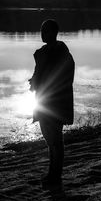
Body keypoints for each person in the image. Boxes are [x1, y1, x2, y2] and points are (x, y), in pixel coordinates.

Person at [29, 19, 75, 186]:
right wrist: (34, 82)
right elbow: (39, 74)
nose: (42, 34)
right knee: (49, 139)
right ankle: (52, 174)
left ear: (54, 33)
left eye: (46, 31)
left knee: (55, 140)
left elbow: (64, 78)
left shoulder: (63, 54)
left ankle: (55, 175)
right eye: (41, 30)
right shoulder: (42, 53)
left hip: (55, 102)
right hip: (43, 100)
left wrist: (42, 83)